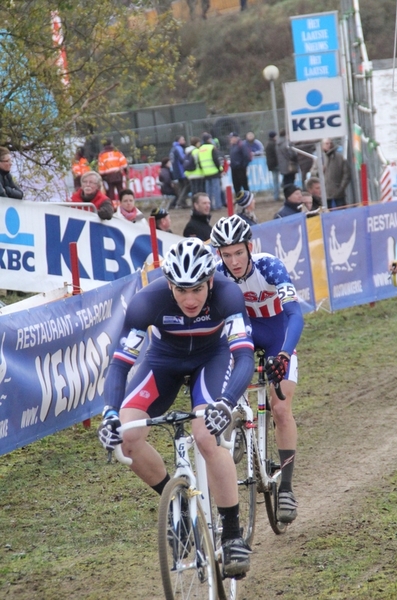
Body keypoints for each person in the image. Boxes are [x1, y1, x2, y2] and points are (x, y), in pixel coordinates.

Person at [97, 238, 255, 578]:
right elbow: (121, 364)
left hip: (212, 359)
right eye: (181, 290)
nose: (189, 299)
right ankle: (179, 506)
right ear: (169, 284)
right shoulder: (146, 302)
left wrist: (226, 404)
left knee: (205, 435)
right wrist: (110, 412)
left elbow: (243, 355)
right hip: (164, 362)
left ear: (210, 281)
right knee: (128, 435)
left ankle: (231, 534)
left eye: (197, 289)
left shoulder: (227, 295)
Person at [210, 215, 304, 523]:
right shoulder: (217, 276)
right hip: (246, 332)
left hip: (277, 333)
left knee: (280, 408)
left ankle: (286, 488)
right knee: (231, 368)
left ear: (249, 248)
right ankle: (240, 419)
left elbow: (295, 316)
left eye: (238, 252)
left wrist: (285, 355)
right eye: (226, 254)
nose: (233, 261)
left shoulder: (269, 266)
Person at [321, 138, 351, 209]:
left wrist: (341, 188)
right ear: (322, 145)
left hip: (338, 192)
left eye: (330, 143)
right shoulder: (319, 158)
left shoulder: (340, 158)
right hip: (325, 193)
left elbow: (347, 174)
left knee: (342, 213)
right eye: (326, 143)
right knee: (327, 215)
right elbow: (313, 173)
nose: (329, 145)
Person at [197, 133, 223, 210]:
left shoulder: (200, 149)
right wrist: (220, 169)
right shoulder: (212, 148)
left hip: (206, 173)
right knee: (216, 190)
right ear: (209, 139)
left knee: (208, 192)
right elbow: (216, 160)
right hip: (214, 172)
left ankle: (209, 206)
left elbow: (199, 162)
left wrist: (203, 170)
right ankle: (218, 205)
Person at [169, 135, 190, 209]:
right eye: (183, 139)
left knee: (181, 187)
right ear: (179, 141)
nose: (184, 141)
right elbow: (182, 159)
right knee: (187, 185)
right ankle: (180, 201)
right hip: (181, 171)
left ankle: (182, 203)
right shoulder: (178, 148)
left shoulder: (172, 149)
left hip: (176, 171)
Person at [265, 131, 280, 202]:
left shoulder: (268, 143)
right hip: (275, 164)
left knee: (275, 180)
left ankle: (276, 196)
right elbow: (277, 155)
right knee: (276, 181)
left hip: (271, 164)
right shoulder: (273, 144)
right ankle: (276, 196)